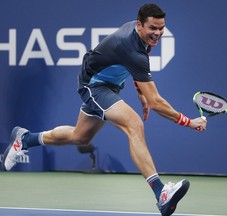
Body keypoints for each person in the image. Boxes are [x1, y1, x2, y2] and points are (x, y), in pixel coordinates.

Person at [3, 3, 207, 216]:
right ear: (139, 25)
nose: (157, 33)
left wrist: (139, 91)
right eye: (153, 28)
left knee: (80, 136)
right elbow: (156, 102)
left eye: (161, 28)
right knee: (134, 124)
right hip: (93, 85)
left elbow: (136, 68)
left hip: (109, 84)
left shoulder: (141, 38)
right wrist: (188, 122)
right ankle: (161, 192)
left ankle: (25, 139)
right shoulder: (131, 48)